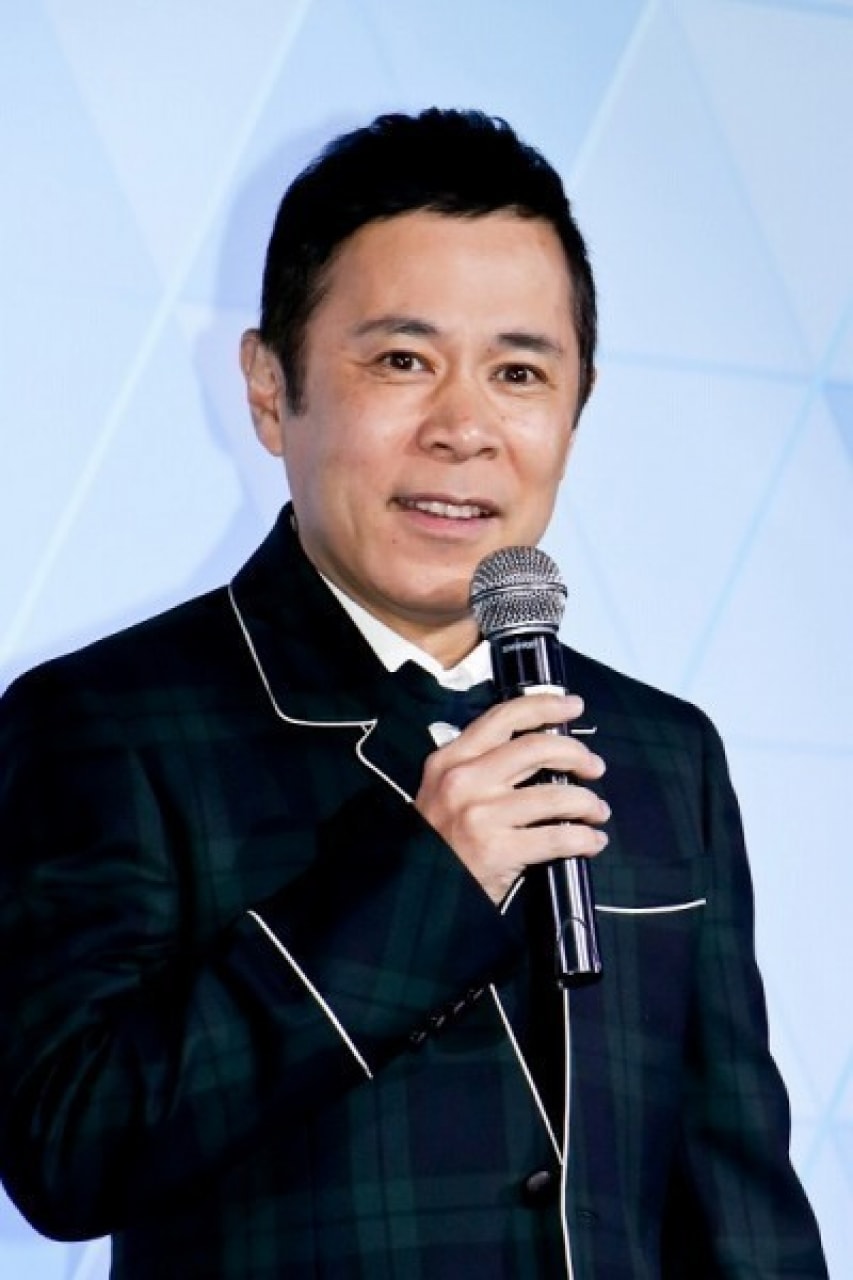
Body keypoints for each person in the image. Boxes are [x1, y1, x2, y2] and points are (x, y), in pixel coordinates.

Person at [0, 109, 827, 1279]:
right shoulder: (107, 723)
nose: (463, 429)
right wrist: (424, 885)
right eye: (401, 361)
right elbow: (68, 1149)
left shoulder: (658, 751)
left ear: (576, 406)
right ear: (269, 388)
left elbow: (740, 1214)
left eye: (518, 372)